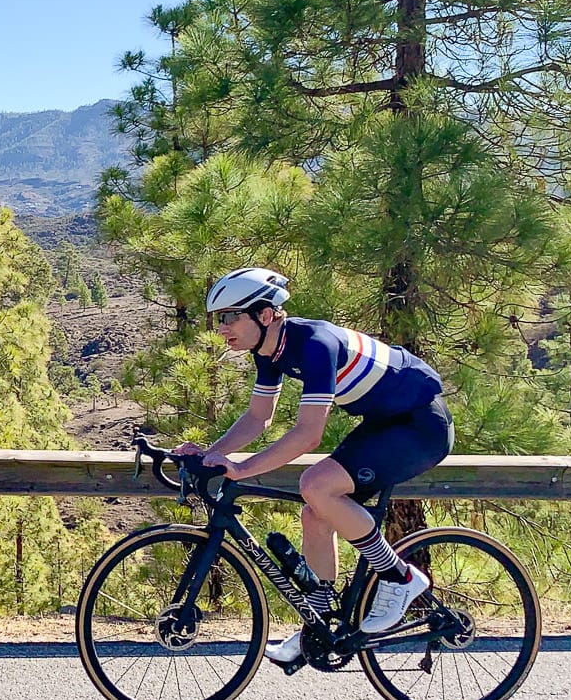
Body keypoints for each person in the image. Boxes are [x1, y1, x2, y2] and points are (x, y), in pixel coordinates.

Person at [174, 266, 453, 666]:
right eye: (220, 318)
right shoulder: (269, 352)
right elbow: (258, 418)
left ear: (265, 315)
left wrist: (242, 468)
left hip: (421, 424)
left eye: (231, 316)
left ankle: (400, 577)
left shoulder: (316, 343)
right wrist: (209, 455)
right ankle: (320, 624)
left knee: (316, 485)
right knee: (315, 514)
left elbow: (308, 436)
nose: (222, 327)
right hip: (385, 423)